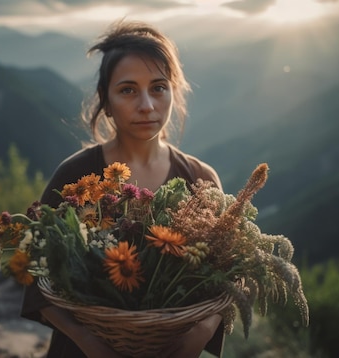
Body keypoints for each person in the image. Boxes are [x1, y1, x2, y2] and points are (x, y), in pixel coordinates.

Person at [21, 20, 225, 358]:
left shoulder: (200, 180)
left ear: (174, 91)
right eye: (128, 90)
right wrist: (88, 342)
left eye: (158, 87)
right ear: (106, 99)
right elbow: (36, 277)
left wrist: (200, 334)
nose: (146, 105)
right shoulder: (75, 176)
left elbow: (227, 277)